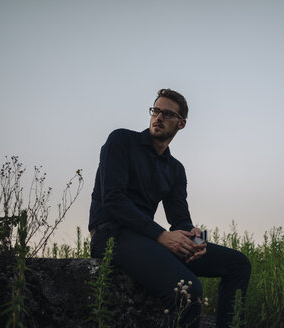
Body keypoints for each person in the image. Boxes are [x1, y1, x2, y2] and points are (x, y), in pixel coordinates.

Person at [89, 88, 251, 328]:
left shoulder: (175, 169)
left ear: (181, 123)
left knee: (239, 264)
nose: (158, 117)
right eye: (155, 110)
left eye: (167, 113)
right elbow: (113, 199)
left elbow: (180, 219)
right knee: (188, 288)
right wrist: (161, 235)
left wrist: (195, 237)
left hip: (147, 237)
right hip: (112, 234)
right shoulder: (121, 140)